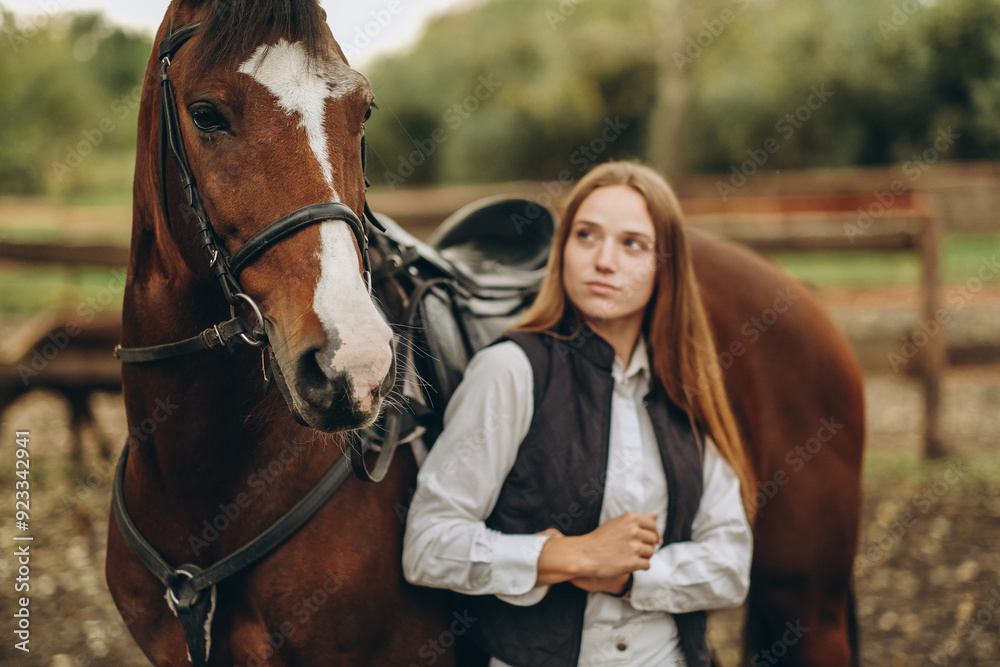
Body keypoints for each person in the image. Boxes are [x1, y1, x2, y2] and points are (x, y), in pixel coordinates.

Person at [402, 161, 755, 667]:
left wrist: (631, 576)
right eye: (586, 235)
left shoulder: (686, 385)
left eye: (632, 243)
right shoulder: (510, 371)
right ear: (563, 249)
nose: (603, 260)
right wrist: (567, 556)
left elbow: (731, 566)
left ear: (665, 265)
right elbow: (428, 544)